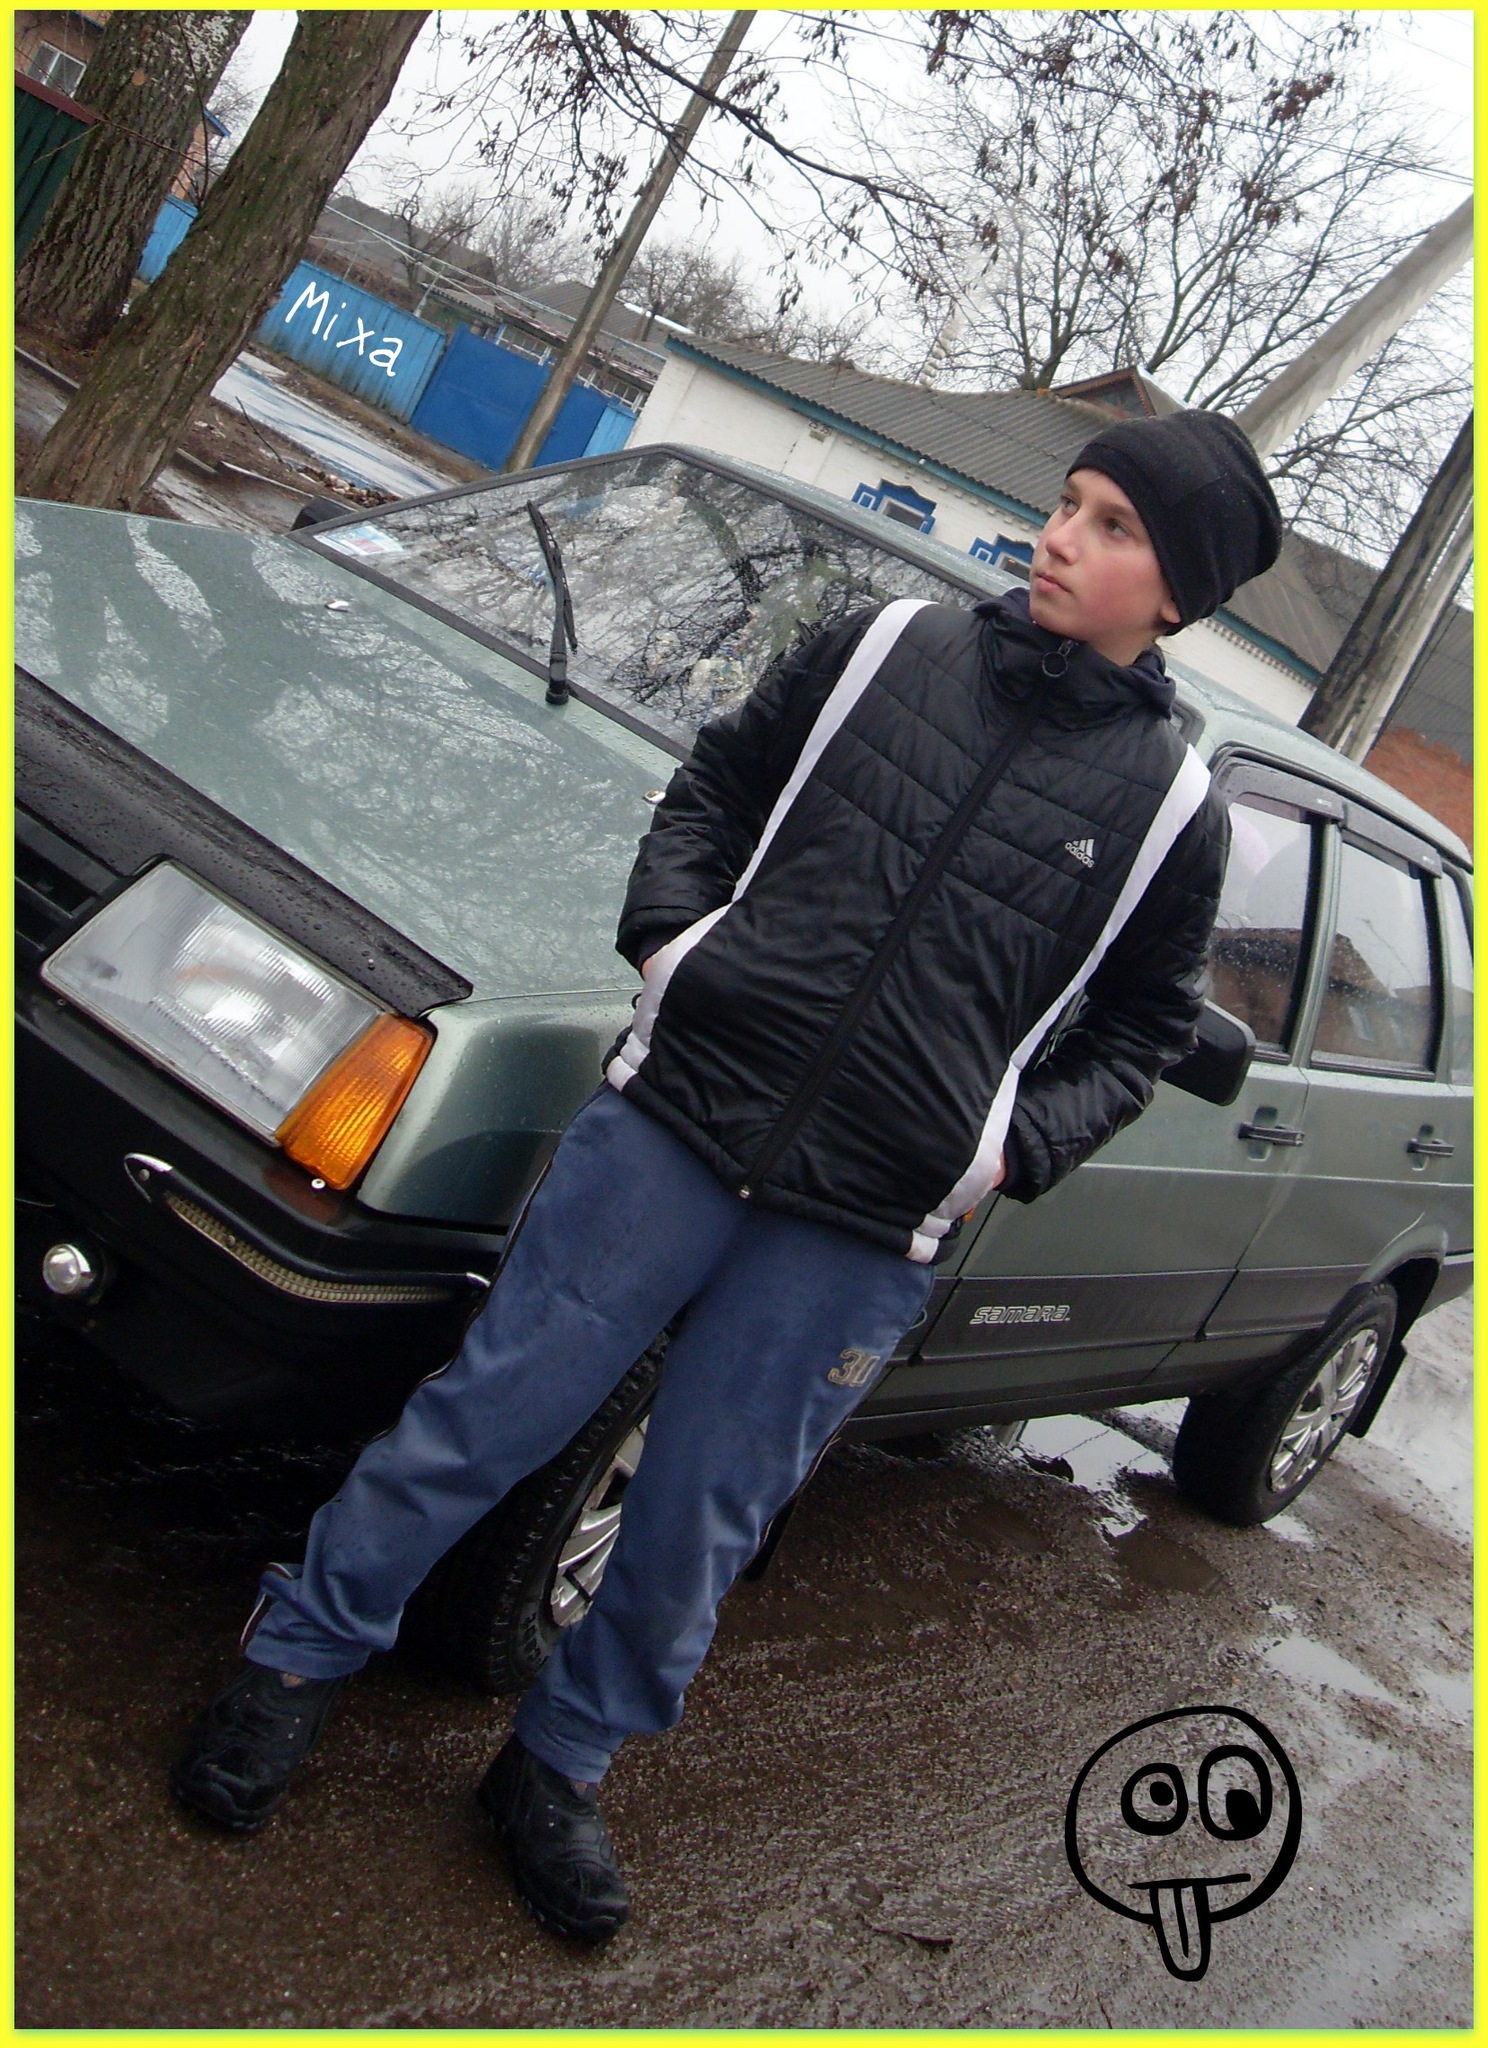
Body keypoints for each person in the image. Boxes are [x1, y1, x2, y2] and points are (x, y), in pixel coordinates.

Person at [171, 410, 1282, 1943]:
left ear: (1179, 591)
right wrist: (677, 950)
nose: (1061, 537)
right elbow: (717, 786)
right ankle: (294, 1658)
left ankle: (558, 1765)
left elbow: (1145, 1025)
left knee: (697, 1518)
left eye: (1112, 526)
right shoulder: (885, 648)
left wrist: (1006, 1149)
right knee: (488, 1415)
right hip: (678, 1123)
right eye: (1071, 502)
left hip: (864, 1224)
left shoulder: (1171, 813)